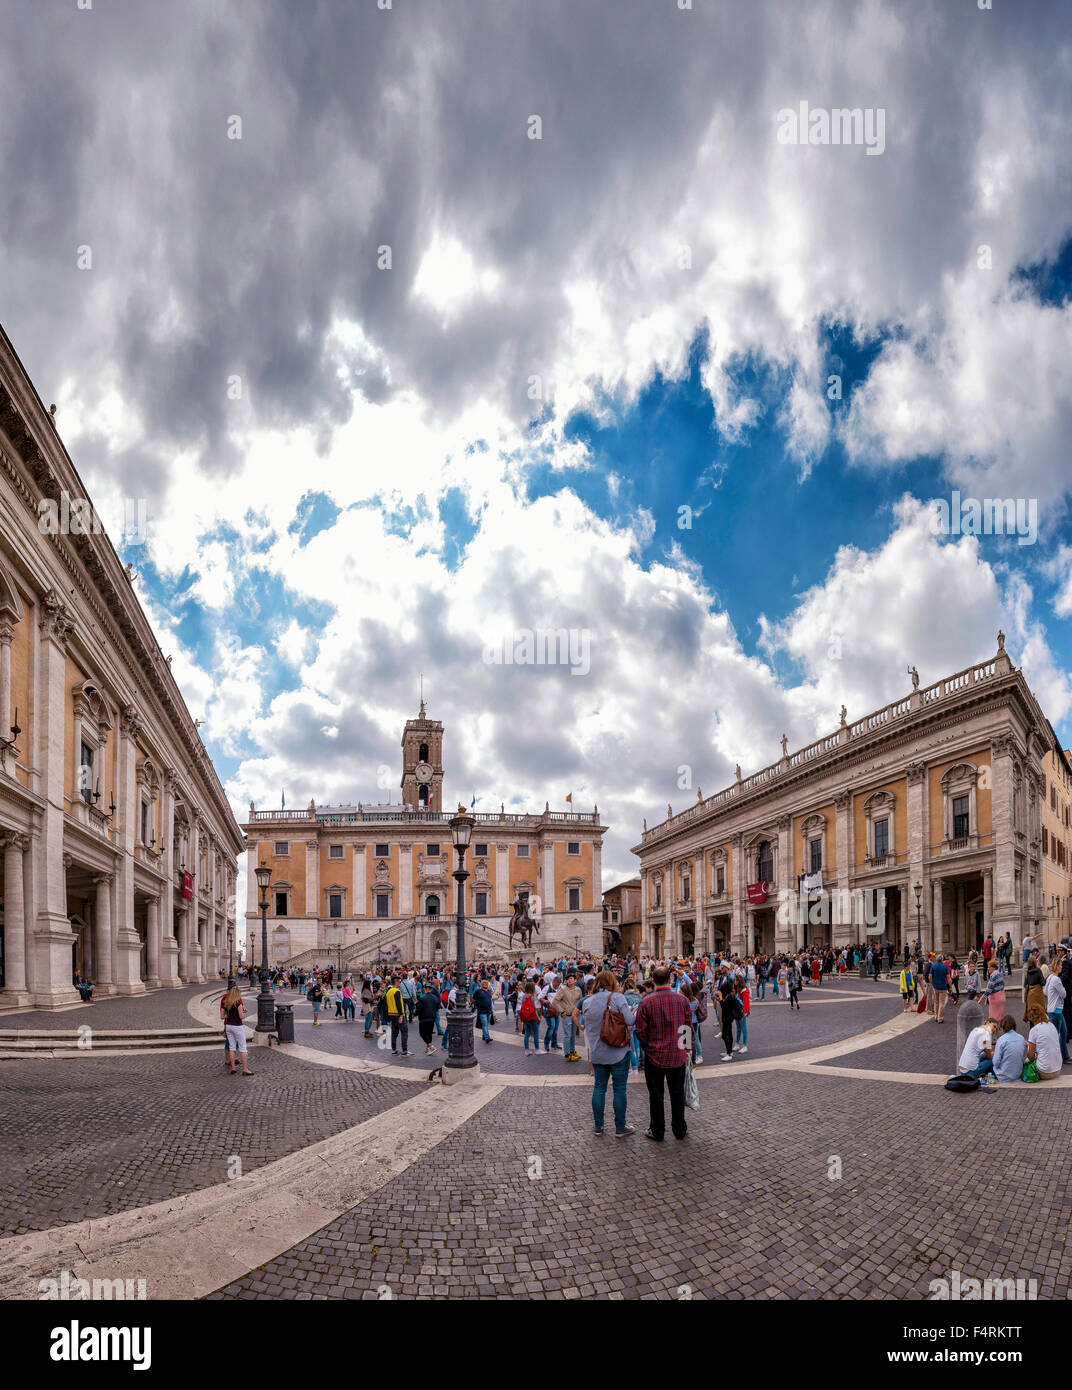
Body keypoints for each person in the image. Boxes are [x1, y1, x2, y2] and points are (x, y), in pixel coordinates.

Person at [632, 964, 692, 1142]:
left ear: (652, 981)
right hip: (677, 1055)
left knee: (656, 1095)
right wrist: (687, 1049)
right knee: (677, 1093)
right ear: (670, 980)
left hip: (654, 1056)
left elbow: (640, 1031)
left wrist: (647, 1048)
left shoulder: (646, 1002)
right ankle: (679, 1129)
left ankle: (657, 1130)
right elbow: (687, 1027)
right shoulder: (682, 1000)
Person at [576, 970, 635, 1138]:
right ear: (611, 982)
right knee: (619, 1089)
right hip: (618, 1050)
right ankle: (620, 1127)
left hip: (597, 1052)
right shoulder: (617, 998)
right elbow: (630, 1021)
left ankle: (598, 1127)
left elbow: (588, 1026)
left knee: (599, 1088)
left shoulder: (587, 1001)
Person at [221, 985, 254, 1076]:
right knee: (243, 1048)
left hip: (228, 1026)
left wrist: (228, 1016)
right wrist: (243, 1013)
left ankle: (233, 1068)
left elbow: (222, 1016)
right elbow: (241, 1017)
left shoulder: (225, 1003)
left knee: (232, 1047)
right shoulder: (238, 1004)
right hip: (238, 1027)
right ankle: (245, 1069)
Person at [1026, 1004, 1062, 1080]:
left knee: (1026, 1061)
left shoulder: (1034, 1030)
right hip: (1058, 1069)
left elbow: (1030, 1056)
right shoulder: (1052, 1026)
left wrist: (1028, 1046)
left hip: (1044, 1072)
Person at [1044, 961, 1070, 1064]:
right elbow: (1064, 994)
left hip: (1054, 1009)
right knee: (1055, 1036)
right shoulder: (1056, 979)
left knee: (1064, 1032)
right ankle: (1055, 1058)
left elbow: (1045, 992)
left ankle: (1065, 1056)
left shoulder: (1050, 978)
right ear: (1057, 966)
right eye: (1060, 965)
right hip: (1056, 1010)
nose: (1062, 967)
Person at [554, 972, 583, 1062]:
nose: (569, 980)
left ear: (575, 980)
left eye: (571, 978)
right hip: (567, 1016)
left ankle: (572, 1051)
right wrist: (562, 1011)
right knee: (567, 1035)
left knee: (573, 1035)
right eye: (568, 979)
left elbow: (581, 1001)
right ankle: (567, 1054)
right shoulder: (563, 990)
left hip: (575, 1016)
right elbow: (555, 1001)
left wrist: (580, 1011)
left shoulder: (578, 989)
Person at [990, 1014, 1027, 1082]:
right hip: (1018, 1074)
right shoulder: (1021, 1038)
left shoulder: (1001, 1040)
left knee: (989, 1063)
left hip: (1003, 1076)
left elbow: (995, 1062)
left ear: (1003, 1027)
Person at [384, 975, 411, 1055]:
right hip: (398, 1014)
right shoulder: (397, 991)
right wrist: (401, 1015)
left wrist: (388, 1015)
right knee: (404, 1031)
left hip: (391, 1014)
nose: (400, 983)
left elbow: (386, 1004)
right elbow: (399, 1004)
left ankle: (394, 1049)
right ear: (396, 982)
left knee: (394, 1032)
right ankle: (404, 1050)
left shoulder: (388, 992)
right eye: (399, 982)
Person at [415, 981, 441, 1055]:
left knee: (422, 1033)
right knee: (429, 1033)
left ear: (425, 989)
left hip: (423, 1018)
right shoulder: (435, 998)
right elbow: (437, 1007)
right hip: (432, 1018)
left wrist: (414, 1014)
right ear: (431, 989)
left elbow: (419, 1010)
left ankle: (430, 1046)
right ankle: (428, 1048)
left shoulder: (422, 998)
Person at [519, 982, 541, 1053]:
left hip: (525, 1017)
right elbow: (534, 1009)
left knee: (527, 1033)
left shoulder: (523, 996)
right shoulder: (532, 997)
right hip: (532, 1017)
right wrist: (538, 1018)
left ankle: (527, 1050)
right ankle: (537, 1049)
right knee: (536, 1032)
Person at [472, 978, 494, 1045]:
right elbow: (473, 999)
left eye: (487, 983)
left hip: (488, 1010)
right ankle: (487, 1037)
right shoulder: (478, 991)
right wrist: (477, 1005)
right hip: (482, 1011)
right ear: (481, 984)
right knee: (484, 1024)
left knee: (486, 1024)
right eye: (484, 983)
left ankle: (484, 1036)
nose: (486, 984)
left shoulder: (489, 991)